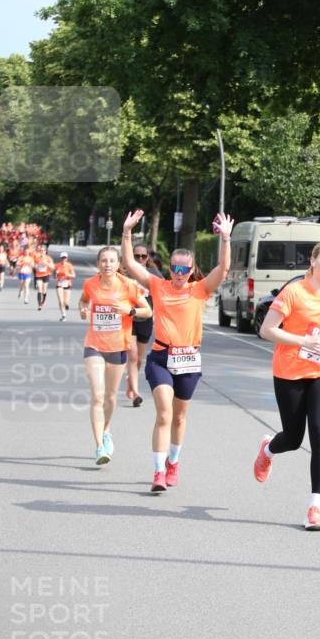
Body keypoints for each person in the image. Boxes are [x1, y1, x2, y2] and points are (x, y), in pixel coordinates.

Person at [121, 208, 233, 491]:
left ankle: (173, 462)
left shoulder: (199, 290)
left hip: (189, 360)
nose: (180, 273)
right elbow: (131, 265)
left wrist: (226, 239)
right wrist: (126, 232)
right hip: (160, 357)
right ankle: (158, 473)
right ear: (169, 267)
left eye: (185, 269)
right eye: (175, 268)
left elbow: (223, 270)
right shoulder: (159, 286)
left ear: (191, 269)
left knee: (180, 416)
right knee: (164, 414)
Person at [255, 241, 320, 531]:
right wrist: (302, 341)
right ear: (313, 260)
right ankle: (267, 450)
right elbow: (266, 329)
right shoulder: (294, 292)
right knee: (294, 438)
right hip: (290, 372)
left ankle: (314, 509)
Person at [78, 246, 152, 464]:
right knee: (97, 396)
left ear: (118, 264)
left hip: (118, 347)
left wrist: (129, 311)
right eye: (103, 261)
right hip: (94, 346)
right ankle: (100, 447)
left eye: (111, 261)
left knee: (110, 397)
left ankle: (107, 429)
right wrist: (82, 309)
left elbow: (148, 311)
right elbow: (83, 300)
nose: (107, 264)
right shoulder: (90, 284)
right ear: (98, 263)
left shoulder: (128, 285)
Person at [125, 243, 162, 407]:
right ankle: (135, 393)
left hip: (146, 319)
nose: (140, 259)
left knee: (139, 359)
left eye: (143, 256)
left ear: (148, 258)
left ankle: (130, 380)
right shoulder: (126, 274)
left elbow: (163, 292)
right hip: (129, 318)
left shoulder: (153, 274)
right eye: (136, 256)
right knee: (132, 356)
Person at [54, 252, 76, 320]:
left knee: (66, 302)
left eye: (65, 258)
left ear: (66, 258)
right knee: (60, 300)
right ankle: (63, 315)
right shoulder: (57, 265)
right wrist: (56, 273)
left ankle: (66, 305)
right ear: (60, 258)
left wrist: (67, 275)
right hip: (59, 284)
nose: (63, 259)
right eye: (62, 258)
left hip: (67, 284)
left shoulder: (69, 265)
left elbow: (74, 275)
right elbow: (54, 276)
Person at [34, 244, 54, 310]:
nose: (42, 252)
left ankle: (43, 302)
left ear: (45, 251)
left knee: (44, 291)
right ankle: (39, 305)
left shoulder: (48, 258)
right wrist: (37, 266)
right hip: (38, 275)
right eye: (41, 250)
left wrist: (46, 263)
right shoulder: (37, 258)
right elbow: (35, 267)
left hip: (46, 275)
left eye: (43, 250)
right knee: (39, 289)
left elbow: (52, 267)